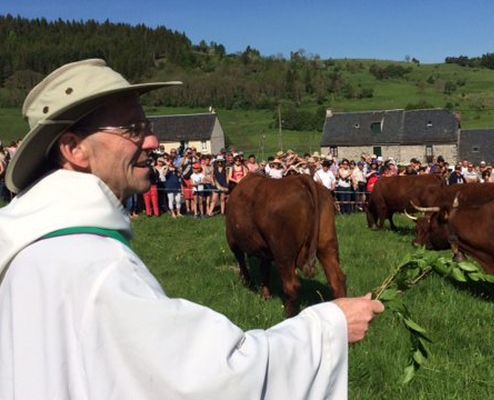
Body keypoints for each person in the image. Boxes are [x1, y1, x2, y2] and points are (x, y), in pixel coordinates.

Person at [0, 59, 384, 399]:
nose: (152, 140)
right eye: (133, 129)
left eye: (147, 125)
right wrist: (328, 327)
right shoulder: (97, 267)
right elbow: (216, 380)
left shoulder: (27, 245)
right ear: (74, 149)